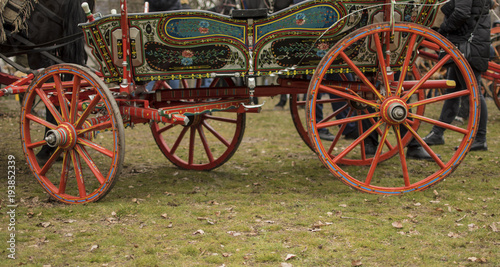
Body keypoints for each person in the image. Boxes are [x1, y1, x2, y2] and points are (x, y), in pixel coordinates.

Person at [423, 0, 491, 151]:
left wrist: (442, 31)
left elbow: (462, 12)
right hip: (467, 41)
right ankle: (437, 133)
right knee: (453, 91)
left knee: (474, 92)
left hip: (468, 44)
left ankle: (480, 138)